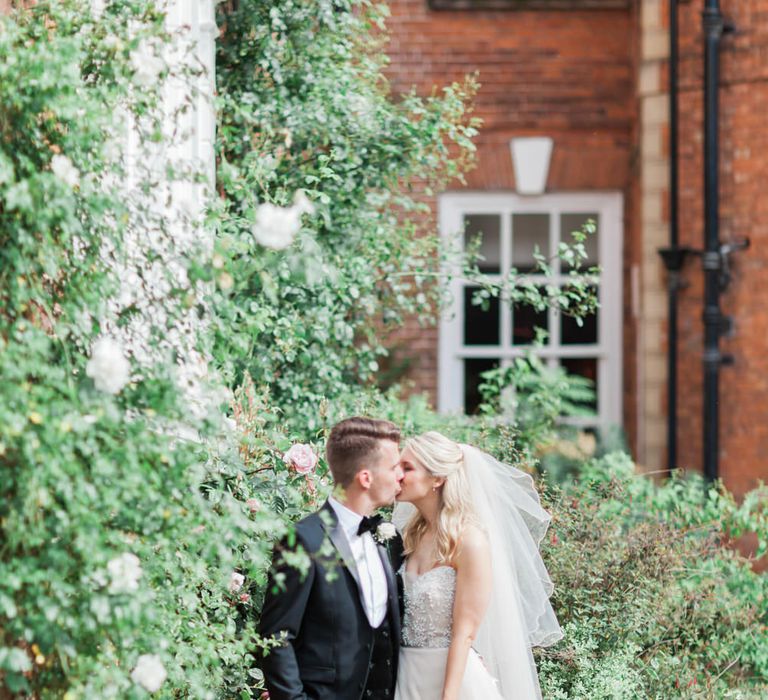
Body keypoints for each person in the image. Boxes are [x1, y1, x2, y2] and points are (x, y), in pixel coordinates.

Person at [392, 432, 562, 700]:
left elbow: (465, 634)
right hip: (406, 676)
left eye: (407, 467)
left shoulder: (471, 542)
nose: (396, 475)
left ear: (437, 479)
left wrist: (448, 696)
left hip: (453, 683)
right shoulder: (411, 536)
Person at [259, 416, 405, 700]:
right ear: (366, 478)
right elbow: (276, 636)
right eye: (393, 467)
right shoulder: (302, 540)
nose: (400, 475)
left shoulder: (389, 539)